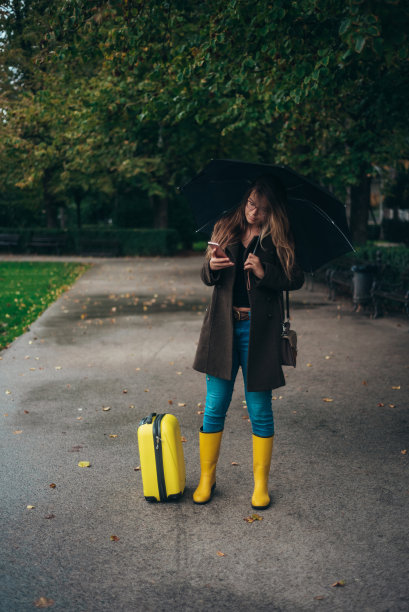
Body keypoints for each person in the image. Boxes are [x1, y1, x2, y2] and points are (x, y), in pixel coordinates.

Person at [192, 175, 305, 509]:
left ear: (273, 211)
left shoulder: (277, 237)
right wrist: (212, 265)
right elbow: (206, 275)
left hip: (259, 333)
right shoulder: (225, 227)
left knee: (259, 410)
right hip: (224, 330)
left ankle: (260, 486)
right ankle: (206, 479)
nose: (255, 213)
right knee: (215, 406)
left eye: (263, 208)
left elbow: (295, 278)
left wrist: (263, 271)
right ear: (245, 199)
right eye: (252, 204)